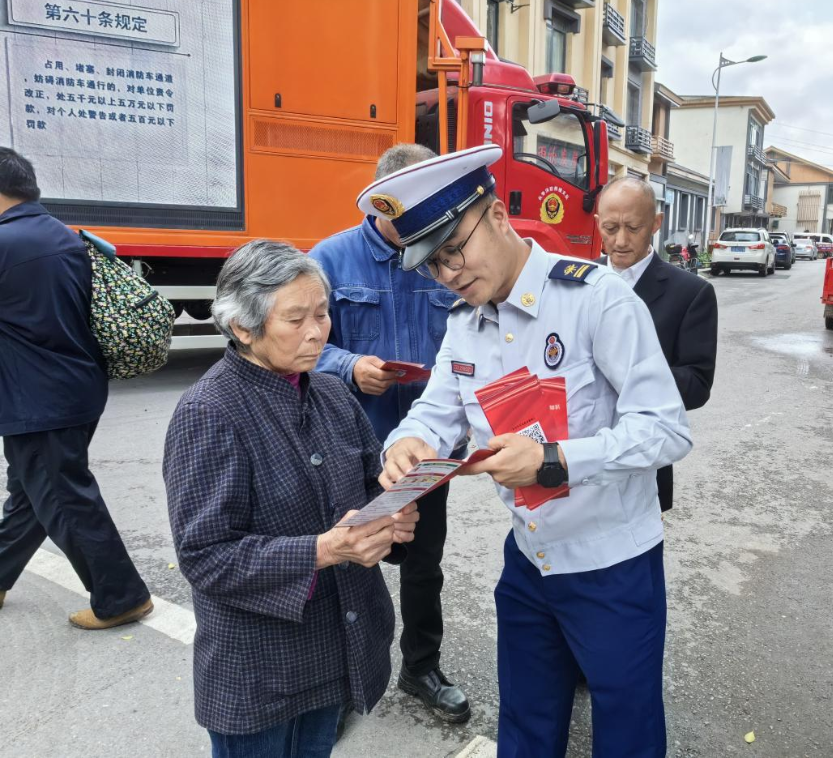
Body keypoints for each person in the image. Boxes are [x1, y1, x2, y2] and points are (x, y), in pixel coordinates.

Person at [368, 145, 693, 756]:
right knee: (524, 728)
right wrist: (406, 444)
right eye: (433, 264)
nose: (449, 274)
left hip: (611, 567)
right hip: (528, 565)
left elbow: (667, 429)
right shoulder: (463, 326)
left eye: (455, 249)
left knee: (626, 733)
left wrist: (554, 460)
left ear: (496, 215)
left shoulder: (596, 299)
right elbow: (434, 415)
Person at [163, 240, 418, 756]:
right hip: (260, 670)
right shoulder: (209, 413)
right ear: (243, 327)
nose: (316, 331)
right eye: (295, 318)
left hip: (334, 649)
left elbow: (371, 484)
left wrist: (392, 515)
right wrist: (326, 549)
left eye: (322, 314)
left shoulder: (328, 392)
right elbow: (205, 556)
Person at [309, 144, 470, 724]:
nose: (412, 224)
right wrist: (349, 367)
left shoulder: (446, 256)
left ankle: (421, 666)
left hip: (428, 451)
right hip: (350, 448)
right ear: (378, 199)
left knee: (424, 563)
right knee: (351, 557)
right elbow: (302, 347)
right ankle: (342, 673)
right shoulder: (329, 260)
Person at [0, 147, 151, 628]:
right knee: (32, 493)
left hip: (38, 397)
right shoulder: (59, 235)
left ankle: (121, 596)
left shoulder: (8, 241)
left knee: (62, 496)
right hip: (70, 388)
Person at [597, 176, 718, 511]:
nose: (620, 241)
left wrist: (632, 370)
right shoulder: (577, 280)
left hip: (643, 460)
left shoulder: (691, 293)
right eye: (610, 228)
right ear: (597, 223)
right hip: (577, 457)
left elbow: (696, 385)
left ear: (656, 224)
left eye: (633, 228)